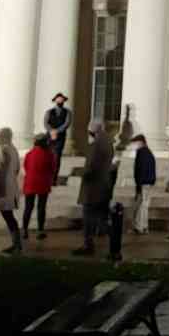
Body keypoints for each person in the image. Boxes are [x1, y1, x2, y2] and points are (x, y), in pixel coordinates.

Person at [73, 120, 114, 256]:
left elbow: (90, 167)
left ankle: (88, 245)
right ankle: (113, 243)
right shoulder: (108, 143)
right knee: (102, 217)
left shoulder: (96, 145)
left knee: (89, 217)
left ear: (92, 131)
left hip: (92, 187)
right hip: (103, 186)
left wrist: (78, 172)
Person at [22, 133, 57, 240]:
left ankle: (24, 230)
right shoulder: (50, 154)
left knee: (28, 207)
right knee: (41, 207)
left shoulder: (29, 154)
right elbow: (53, 169)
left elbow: (26, 166)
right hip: (43, 182)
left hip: (30, 182)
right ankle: (40, 230)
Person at [130, 133, 156, 234]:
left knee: (141, 205)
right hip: (148, 181)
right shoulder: (148, 152)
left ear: (140, 142)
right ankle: (144, 226)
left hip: (143, 182)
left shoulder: (142, 153)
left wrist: (139, 184)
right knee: (145, 205)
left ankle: (140, 227)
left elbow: (140, 169)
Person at [44, 93, 72, 180]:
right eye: (58, 99)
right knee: (48, 156)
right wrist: (51, 131)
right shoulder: (49, 111)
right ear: (55, 100)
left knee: (57, 157)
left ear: (63, 101)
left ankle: (54, 177)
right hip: (49, 136)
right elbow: (46, 123)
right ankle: (47, 176)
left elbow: (67, 123)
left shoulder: (68, 112)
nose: (60, 100)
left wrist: (57, 131)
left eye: (61, 99)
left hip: (60, 137)